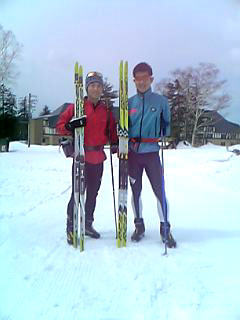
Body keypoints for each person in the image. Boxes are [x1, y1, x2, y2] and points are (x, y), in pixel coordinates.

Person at [56, 71, 118, 245]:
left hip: (98, 156)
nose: (96, 88)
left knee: (93, 193)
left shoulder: (106, 110)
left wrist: (115, 143)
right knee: (77, 192)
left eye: (98, 85)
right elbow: (60, 126)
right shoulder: (77, 106)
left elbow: (112, 129)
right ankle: (71, 227)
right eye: (92, 85)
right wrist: (71, 125)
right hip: (81, 156)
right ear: (87, 88)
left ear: (102, 88)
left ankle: (87, 224)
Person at [128, 62, 177, 248]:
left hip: (152, 154)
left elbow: (168, 124)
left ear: (151, 79)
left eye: (145, 78)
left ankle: (165, 229)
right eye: (138, 79)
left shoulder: (161, 101)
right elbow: (122, 127)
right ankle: (139, 225)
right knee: (135, 191)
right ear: (134, 80)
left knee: (159, 191)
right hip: (133, 154)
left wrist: (165, 127)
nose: (141, 82)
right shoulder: (129, 102)